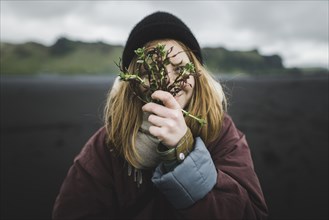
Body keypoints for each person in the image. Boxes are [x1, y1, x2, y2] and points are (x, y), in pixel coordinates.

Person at [52, 11, 268, 219]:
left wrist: (182, 152)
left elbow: (251, 214)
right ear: (131, 82)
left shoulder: (221, 133)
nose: (167, 83)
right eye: (149, 72)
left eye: (179, 68)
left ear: (197, 75)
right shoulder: (108, 143)